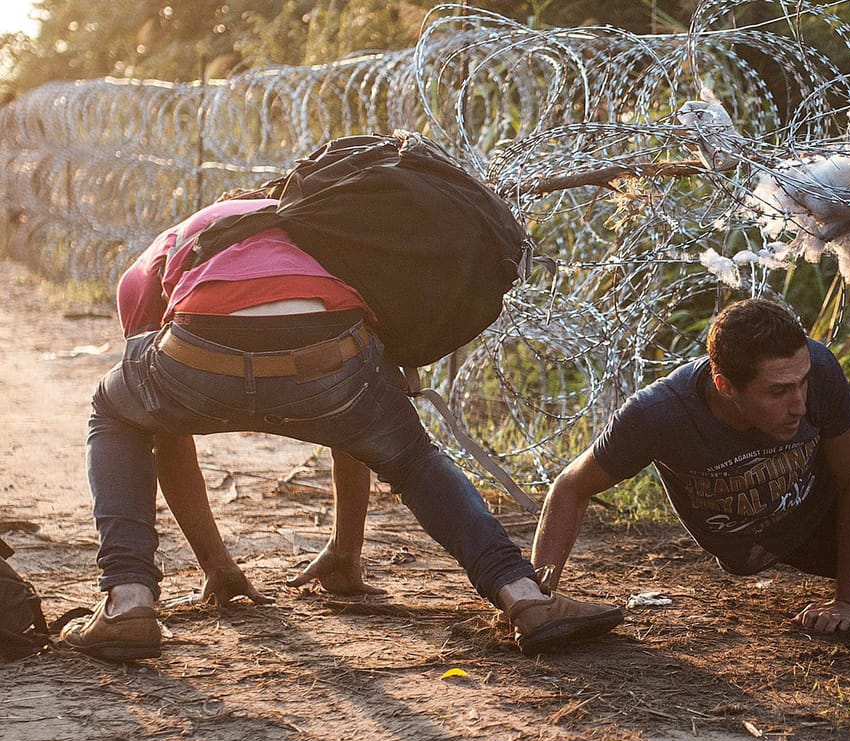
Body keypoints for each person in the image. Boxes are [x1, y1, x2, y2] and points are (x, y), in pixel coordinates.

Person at [59, 195, 623, 660]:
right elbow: (363, 415)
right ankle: (524, 596)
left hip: (200, 347)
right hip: (332, 354)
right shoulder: (320, 229)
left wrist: (218, 565)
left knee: (117, 412)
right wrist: (347, 549)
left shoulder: (159, 257)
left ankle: (129, 600)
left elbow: (166, 437)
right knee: (412, 458)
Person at [532, 298, 850, 634]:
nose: (798, 403)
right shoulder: (658, 415)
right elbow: (570, 489)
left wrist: (849, 602)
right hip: (776, 533)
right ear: (726, 387)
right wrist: (538, 599)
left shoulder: (816, 370)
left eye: (802, 381)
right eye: (777, 391)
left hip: (829, 479)